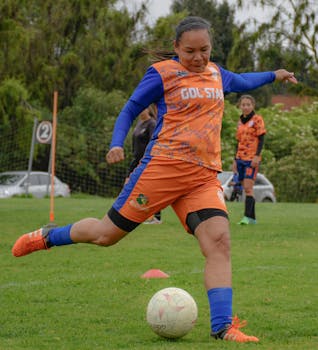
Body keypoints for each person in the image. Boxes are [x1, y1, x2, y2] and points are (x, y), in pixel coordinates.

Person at [11, 16, 297, 343]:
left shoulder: (218, 74)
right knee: (106, 235)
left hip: (202, 177)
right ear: (176, 48)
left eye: (205, 50)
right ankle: (48, 237)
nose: (199, 57)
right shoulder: (162, 73)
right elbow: (130, 109)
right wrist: (116, 143)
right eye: (190, 51)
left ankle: (222, 327)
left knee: (219, 243)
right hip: (161, 171)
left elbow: (244, 81)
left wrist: (276, 74)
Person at [233, 95, 265, 224]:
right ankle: (252, 218)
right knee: (244, 187)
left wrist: (257, 156)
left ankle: (247, 217)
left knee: (248, 187)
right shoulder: (240, 122)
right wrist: (235, 159)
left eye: (248, 104)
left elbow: (262, 138)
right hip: (240, 158)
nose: (246, 107)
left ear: (253, 106)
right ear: (240, 106)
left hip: (251, 159)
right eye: (243, 105)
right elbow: (238, 141)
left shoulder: (257, 119)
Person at [128, 105, 162, 224]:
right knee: (132, 186)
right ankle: (140, 213)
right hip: (136, 160)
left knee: (149, 188)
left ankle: (156, 217)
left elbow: (154, 142)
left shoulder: (151, 124)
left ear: (148, 109)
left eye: (143, 108)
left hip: (147, 161)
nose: (141, 110)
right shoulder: (139, 124)